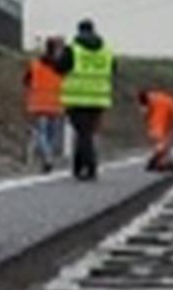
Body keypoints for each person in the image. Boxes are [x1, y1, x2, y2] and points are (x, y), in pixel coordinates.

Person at [53, 20, 116, 181]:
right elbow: (113, 70)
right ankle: (78, 167)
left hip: (77, 98)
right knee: (86, 133)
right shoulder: (106, 51)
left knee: (83, 133)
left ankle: (90, 166)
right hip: (99, 99)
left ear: (79, 31)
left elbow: (59, 68)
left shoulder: (73, 49)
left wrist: (58, 54)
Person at [24, 37, 67, 173]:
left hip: (39, 104)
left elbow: (26, 81)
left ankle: (47, 159)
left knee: (41, 133)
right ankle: (48, 158)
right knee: (51, 135)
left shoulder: (35, 64)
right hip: (54, 104)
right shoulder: (61, 67)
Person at [138, 86, 173, 172]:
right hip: (172, 108)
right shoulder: (155, 100)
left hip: (166, 109)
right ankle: (165, 160)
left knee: (160, 138)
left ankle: (159, 160)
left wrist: (155, 156)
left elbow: (158, 134)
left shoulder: (157, 108)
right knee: (166, 138)